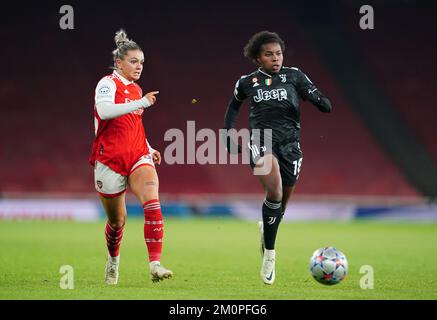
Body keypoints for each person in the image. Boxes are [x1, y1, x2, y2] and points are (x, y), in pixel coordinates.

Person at [223, 31, 332, 285]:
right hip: (261, 141)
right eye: (269, 54)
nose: (275, 58)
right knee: (274, 193)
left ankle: (266, 231)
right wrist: (227, 133)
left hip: (290, 146)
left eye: (278, 53)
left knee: (280, 207)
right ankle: (270, 256)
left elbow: (324, 102)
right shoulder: (247, 82)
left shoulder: (295, 76)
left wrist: (318, 99)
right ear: (258, 58)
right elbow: (233, 106)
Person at [89, 29, 173, 284]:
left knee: (152, 201)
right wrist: (142, 103)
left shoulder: (137, 90)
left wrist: (148, 147)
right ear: (119, 63)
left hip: (137, 156)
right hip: (109, 160)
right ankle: (113, 262)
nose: (139, 67)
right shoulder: (107, 84)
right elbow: (104, 112)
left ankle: (155, 265)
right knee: (117, 221)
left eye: (142, 62)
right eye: (134, 61)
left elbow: (132, 124)